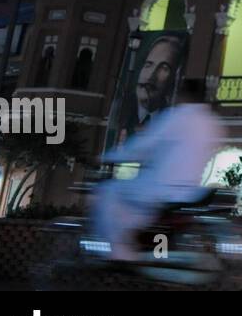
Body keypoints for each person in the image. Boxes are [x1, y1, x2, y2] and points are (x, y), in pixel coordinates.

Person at [91, 77, 224, 261]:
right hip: (191, 190)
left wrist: (105, 157)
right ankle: (144, 246)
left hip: (162, 189)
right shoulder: (212, 122)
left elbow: (142, 146)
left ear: (183, 95)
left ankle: (119, 252)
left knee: (109, 190)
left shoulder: (176, 116)